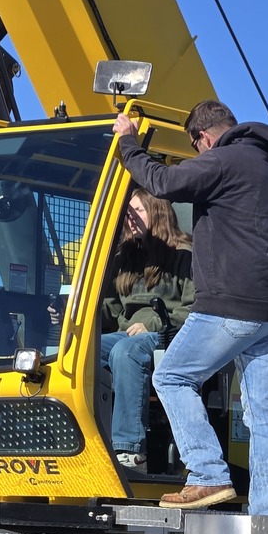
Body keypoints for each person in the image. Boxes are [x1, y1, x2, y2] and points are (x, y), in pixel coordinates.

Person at [113, 99, 268, 515]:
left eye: (195, 147)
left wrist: (128, 142)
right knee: (265, 411)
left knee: (172, 377)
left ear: (203, 138)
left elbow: (161, 181)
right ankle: (266, 514)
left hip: (232, 305)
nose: (198, 155)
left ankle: (207, 473)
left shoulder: (224, 159)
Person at [101, 188, 194, 474]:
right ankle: (92, 441)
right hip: (127, 333)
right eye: (128, 212)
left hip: (170, 334)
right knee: (84, 352)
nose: (130, 217)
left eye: (138, 211)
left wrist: (152, 324)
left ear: (157, 213)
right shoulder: (126, 257)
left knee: (126, 351)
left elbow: (194, 309)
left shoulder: (184, 255)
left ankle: (130, 450)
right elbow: (111, 311)